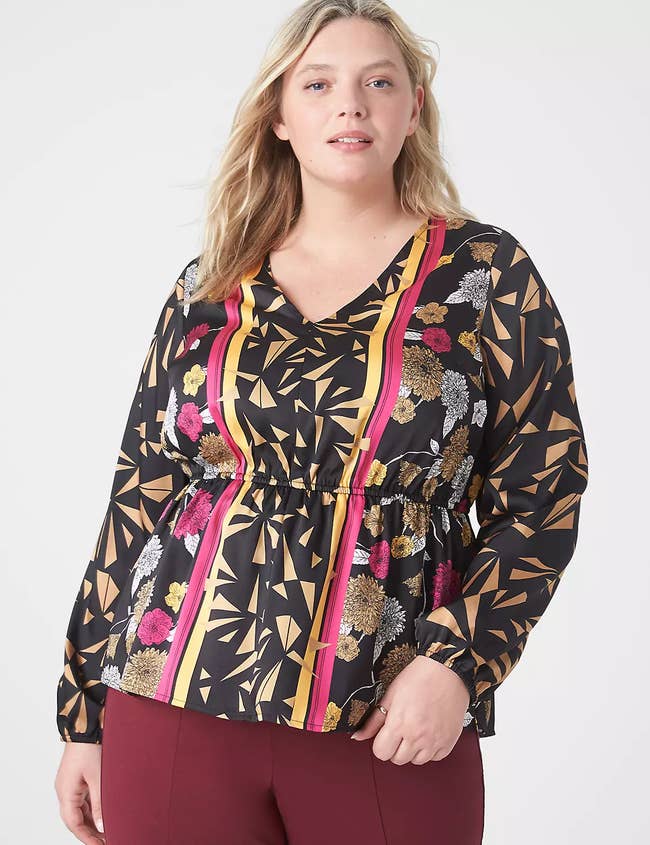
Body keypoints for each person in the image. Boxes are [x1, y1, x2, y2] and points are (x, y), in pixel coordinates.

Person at [54, 2, 589, 843]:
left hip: (388, 713)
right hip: (173, 699)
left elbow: (544, 495)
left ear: (413, 108)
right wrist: (84, 712)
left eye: (379, 82)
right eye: (318, 84)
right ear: (279, 114)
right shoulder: (209, 283)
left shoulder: (487, 275)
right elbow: (141, 494)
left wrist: (458, 662)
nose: (350, 104)